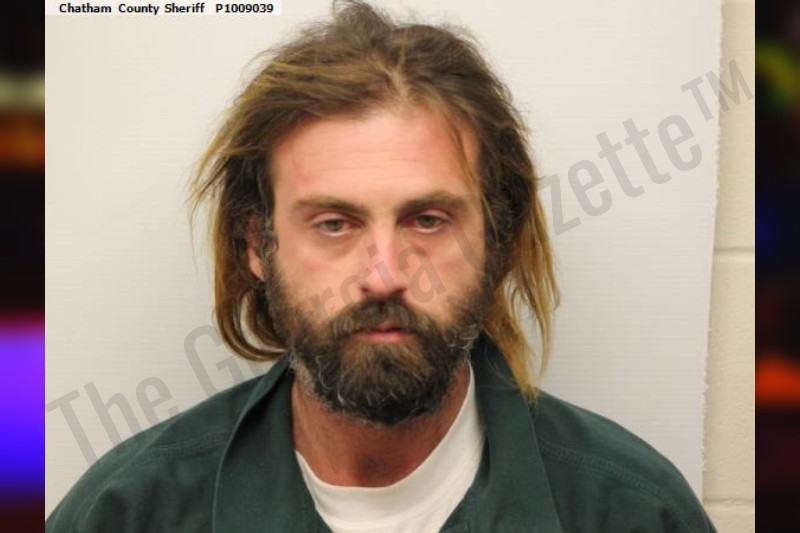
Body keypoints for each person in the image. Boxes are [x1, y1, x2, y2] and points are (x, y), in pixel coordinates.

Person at [46, 2, 717, 531]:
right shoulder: (128, 512)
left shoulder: (633, 511)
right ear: (257, 243)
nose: (386, 275)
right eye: (334, 224)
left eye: (428, 219)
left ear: (497, 238)